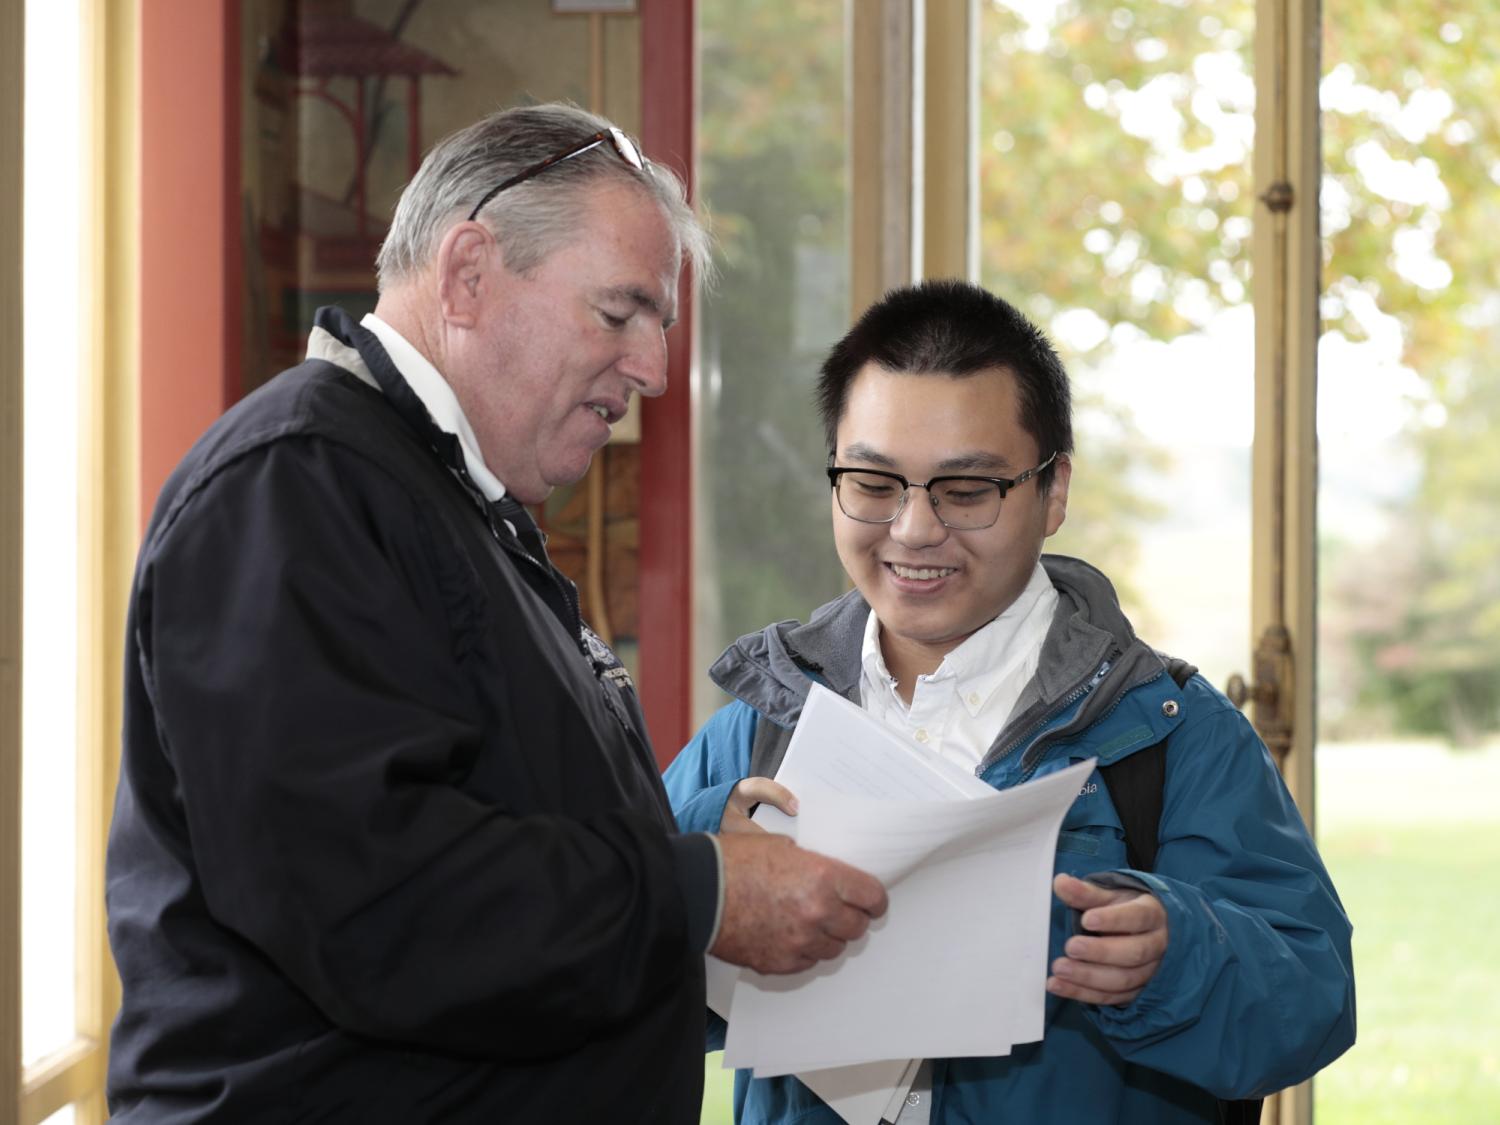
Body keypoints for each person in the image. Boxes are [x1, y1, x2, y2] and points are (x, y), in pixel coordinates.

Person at [105, 103, 887, 1123]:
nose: (651, 369)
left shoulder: (448, 502)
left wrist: (701, 853)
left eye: (661, 326)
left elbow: (491, 828)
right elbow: (374, 903)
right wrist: (703, 893)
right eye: (618, 314)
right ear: (470, 273)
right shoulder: (297, 486)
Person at [664, 280, 1356, 1124]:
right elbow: (603, 962)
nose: (914, 529)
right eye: (875, 482)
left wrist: (1177, 957)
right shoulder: (758, 731)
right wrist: (709, 862)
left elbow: (1313, 998)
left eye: (966, 490)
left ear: (1052, 490)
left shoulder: (1168, 737)